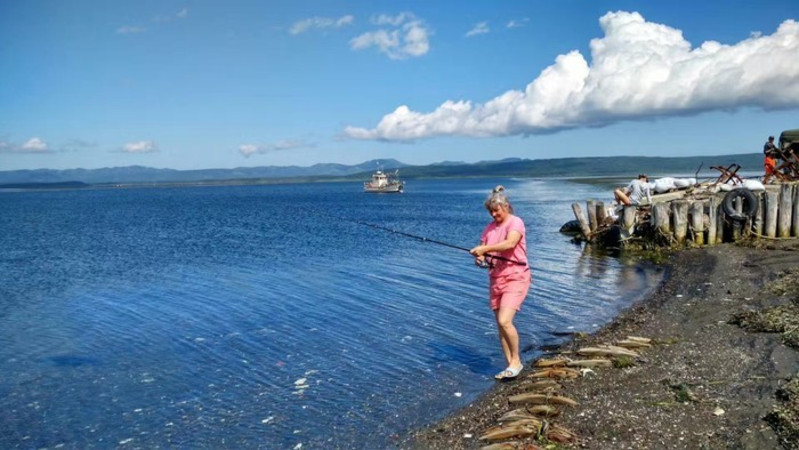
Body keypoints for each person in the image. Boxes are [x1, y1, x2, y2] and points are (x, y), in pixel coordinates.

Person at [470, 186, 531, 380]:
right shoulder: (489, 229)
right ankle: (510, 365)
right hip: (496, 278)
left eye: (497, 210)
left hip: (516, 276)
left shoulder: (516, 222)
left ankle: (516, 361)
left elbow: (509, 244)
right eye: (491, 211)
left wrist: (484, 248)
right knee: (500, 324)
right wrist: (480, 257)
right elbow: (485, 253)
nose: (494, 214)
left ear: (506, 207)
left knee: (505, 320)